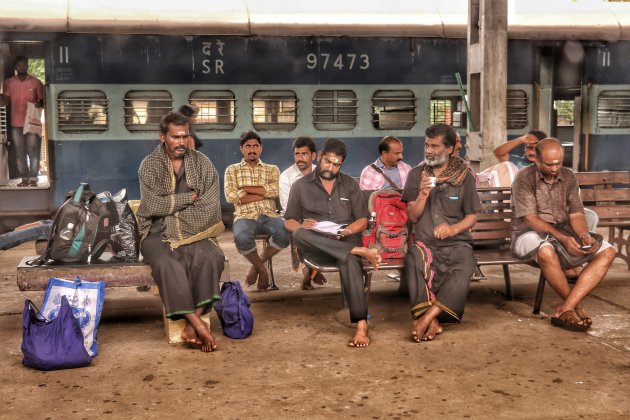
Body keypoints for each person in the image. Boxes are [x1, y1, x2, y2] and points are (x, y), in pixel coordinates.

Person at [136, 112, 225, 352]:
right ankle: (198, 324)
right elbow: (151, 206)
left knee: (212, 257)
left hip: (196, 232)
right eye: (176, 137)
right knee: (167, 263)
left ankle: (189, 327)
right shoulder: (150, 165)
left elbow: (209, 207)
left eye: (185, 136)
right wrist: (187, 198)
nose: (182, 142)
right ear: (163, 137)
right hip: (157, 232)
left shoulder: (202, 163)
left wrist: (172, 208)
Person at [284, 138, 381, 347]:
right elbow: (289, 221)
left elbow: (363, 220)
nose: (330, 168)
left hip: (344, 237)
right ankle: (358, 250)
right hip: (318, 243)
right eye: (327, 162)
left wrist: (346, 230)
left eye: (336, 164)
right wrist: (304, 225)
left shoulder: (350, 185)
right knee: (300, 234)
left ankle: (361, 325)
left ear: (342, 164)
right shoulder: (300, 186)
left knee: (350, 260)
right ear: (319, 157)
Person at [511, 138, 616, 332]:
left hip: (562, 231)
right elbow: (531, 219)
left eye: (558, 163)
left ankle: (566, 307)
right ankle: (574, 306)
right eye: (549, 164)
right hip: (527, 234)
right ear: (536, 160)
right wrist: (563, 239)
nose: (554, 168)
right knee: (546, 251)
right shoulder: (524, 178)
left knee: (608, 251)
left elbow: (576, 213)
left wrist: (584, 236)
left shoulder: (568, 176)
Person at [401, 123, 481, 342]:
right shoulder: (416, 175)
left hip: (457, 244)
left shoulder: (465, 177)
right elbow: (412, 216)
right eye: (426, 145)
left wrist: (453, 229)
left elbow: (472, 215)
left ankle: (427, 318)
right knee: (414, 258)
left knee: (465, 265)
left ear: (448, 149)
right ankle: (433, 320)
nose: (428, 150)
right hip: (425, 242)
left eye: (434, 146)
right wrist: (423, 195)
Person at [224, 130, 290, 291]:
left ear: (261, 148)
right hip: (244, 216)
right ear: (241, 149)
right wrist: (263, 193)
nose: (252, 150)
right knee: (241, 237)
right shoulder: (232, 170)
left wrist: (245, 189)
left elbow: (275, 191)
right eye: (248, 146)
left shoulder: (272, 169)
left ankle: (255, 267)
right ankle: (263, 271)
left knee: (285, 233)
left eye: (255, 146)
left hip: (269, 215)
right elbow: (231, 196)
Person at [278, 136, 327, 289]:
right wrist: (304, 221)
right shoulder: (286, 177)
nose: (300, 158)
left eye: (304, 154)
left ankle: (311, 269)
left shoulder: (323, 173)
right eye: (297, 154)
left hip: (320, 218)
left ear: (313, 156)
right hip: (295, 218)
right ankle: (311, 268)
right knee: (299, 231)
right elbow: (288, 208)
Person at [2, 56, 44, 187]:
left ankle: (33, 178)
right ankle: (24, 179)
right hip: (16, 122)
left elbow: (43, 101)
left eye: (24, 64)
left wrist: (39, 104)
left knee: (33, 150)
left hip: (31, 122)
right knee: (19, 152)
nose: (22, 67)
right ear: (15, 67)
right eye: (19, 65)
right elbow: (5, 101)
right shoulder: (8, 83)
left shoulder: (36, 82)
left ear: (27, 66)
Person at [476, 130, 548, 188]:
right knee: (507, 165)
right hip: (510, 199)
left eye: (535, 149)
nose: (532, 152)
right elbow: (498, 153)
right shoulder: (517, 161)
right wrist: (520, 140)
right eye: (528, 148)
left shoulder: (549, 166)